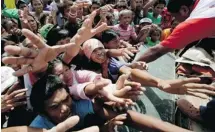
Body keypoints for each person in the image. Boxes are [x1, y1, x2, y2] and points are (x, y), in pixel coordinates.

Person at [29, 74, 193, 131]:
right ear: (42, 112)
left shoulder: (76, 105)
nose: (65, 108)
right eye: (54, 107)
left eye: (66, 99)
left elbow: (125, 117)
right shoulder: (37, 127)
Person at [135, 0, 215, 63]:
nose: (175, 20)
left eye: (174, 16)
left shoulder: (193, 22)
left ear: (184, 10)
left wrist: (128, 67)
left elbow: (156, 52)